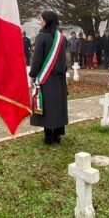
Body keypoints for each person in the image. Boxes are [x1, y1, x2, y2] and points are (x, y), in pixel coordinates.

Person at [29, 11, 68, 145]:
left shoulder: (42, 37)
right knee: (58, 106)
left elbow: (37, 59)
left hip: (47, 78)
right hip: (60, 78)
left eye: (41, 19)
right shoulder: (61, 38)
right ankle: (57, 135)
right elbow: (63, 59)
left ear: (47, 21)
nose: (40, 22)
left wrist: (32, 74)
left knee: (48, 106)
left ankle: (48, 137)